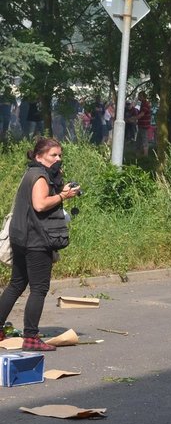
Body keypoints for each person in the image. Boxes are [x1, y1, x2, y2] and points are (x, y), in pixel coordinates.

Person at [0, 138, 81, 351]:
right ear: (38, 156)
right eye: (53, 155)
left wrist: (60, 190)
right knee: (39, 289)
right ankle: (31, 338)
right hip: (35, 240)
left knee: (16, 284)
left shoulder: (33, 173)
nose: (58, 159)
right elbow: (40, 203)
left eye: (60, 155)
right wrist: (63, 195)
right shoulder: (40, 176)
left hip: (21, 237)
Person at [135, 91, 153, 156]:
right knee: (138, 140)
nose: (139, 97)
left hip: (144, 125)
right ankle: (138, 154)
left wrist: (133, 119)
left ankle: (145, 155)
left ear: (143, 97)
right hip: (141, 124)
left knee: (144, 140)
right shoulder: (141, 104)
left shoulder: (145, 104)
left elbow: (141, 114)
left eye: (140, 96)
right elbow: (136, 110)